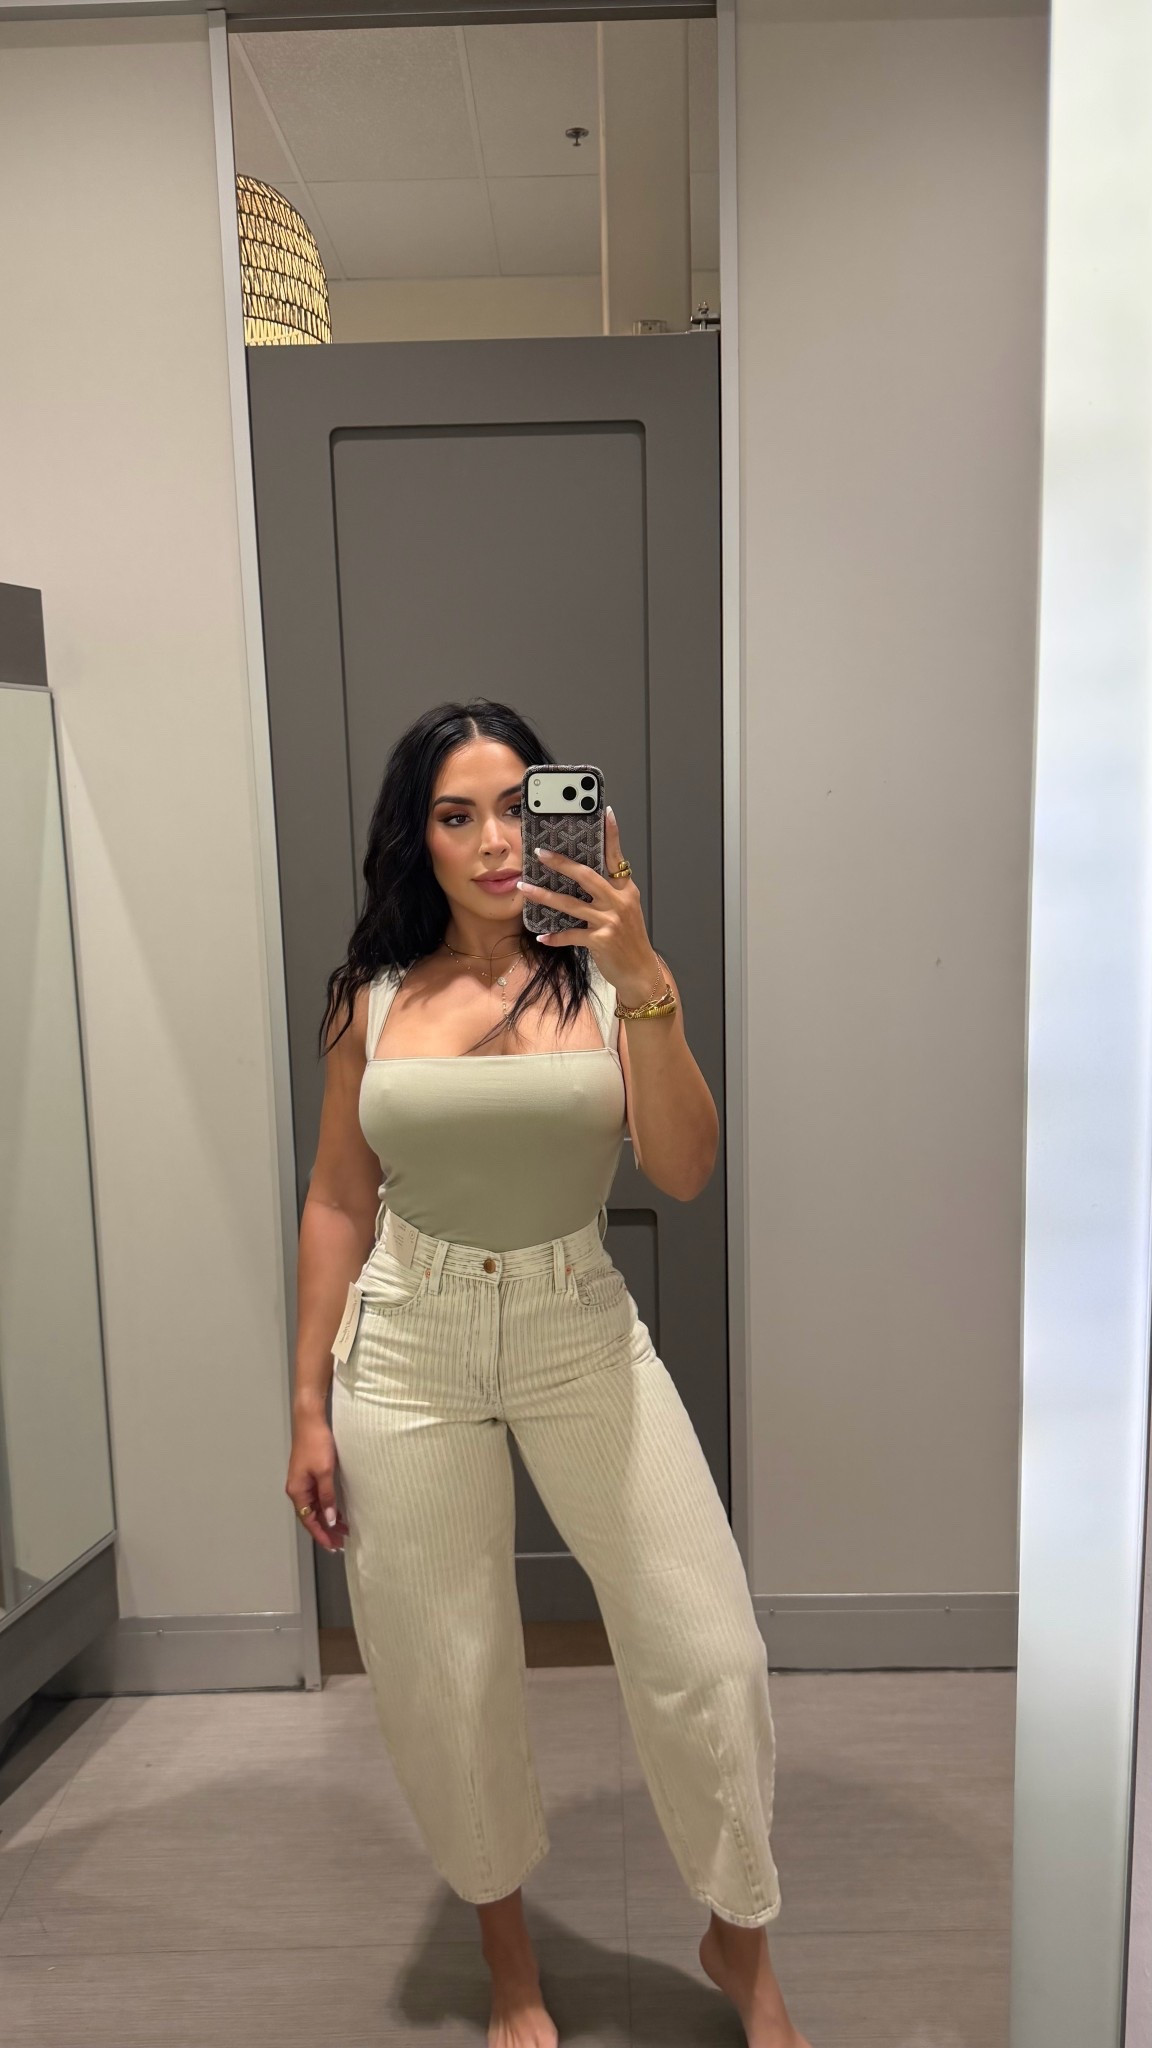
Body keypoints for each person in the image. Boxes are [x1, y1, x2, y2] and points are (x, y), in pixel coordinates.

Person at [286, 700, 811, 2048]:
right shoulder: (370, 997)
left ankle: (740, 1942)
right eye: (456, 814)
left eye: (521, 807)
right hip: (407, 1340)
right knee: (446, 1666)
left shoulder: (603, 976)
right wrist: (306, 1404)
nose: (495, 840)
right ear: (418, 836)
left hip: (575, 1323)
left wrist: (642, 971)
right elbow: (339, 1197)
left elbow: (683, 1167)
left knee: (710, 1649)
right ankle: (507, 1957)